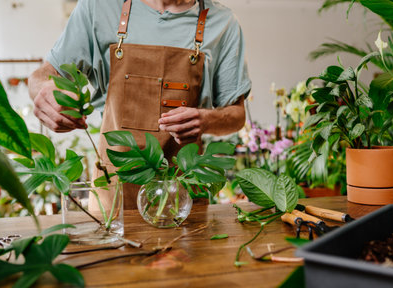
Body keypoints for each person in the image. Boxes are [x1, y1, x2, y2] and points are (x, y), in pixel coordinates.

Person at [29, 0, 251, 209]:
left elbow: (236, 114)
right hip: (114, 198)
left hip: (182, 199)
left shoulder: (222, 23)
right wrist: (42, 89)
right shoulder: (99, 7)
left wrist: (205, 119)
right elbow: (44, 75)